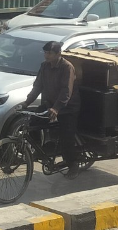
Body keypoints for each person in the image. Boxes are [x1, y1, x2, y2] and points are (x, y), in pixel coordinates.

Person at [22, 41, 81, 170]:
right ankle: (40, 149)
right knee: (33, 122)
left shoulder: (67, 67)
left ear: (58, 54)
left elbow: (66, 91)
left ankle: (73, 164)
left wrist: (57, 108)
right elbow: (37, 86)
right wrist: (26, 102)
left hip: (67, 108)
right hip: (50, 104)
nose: (47, 56)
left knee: (67, 136)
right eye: (45, 53)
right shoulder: (44, 66)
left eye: (50, 53)